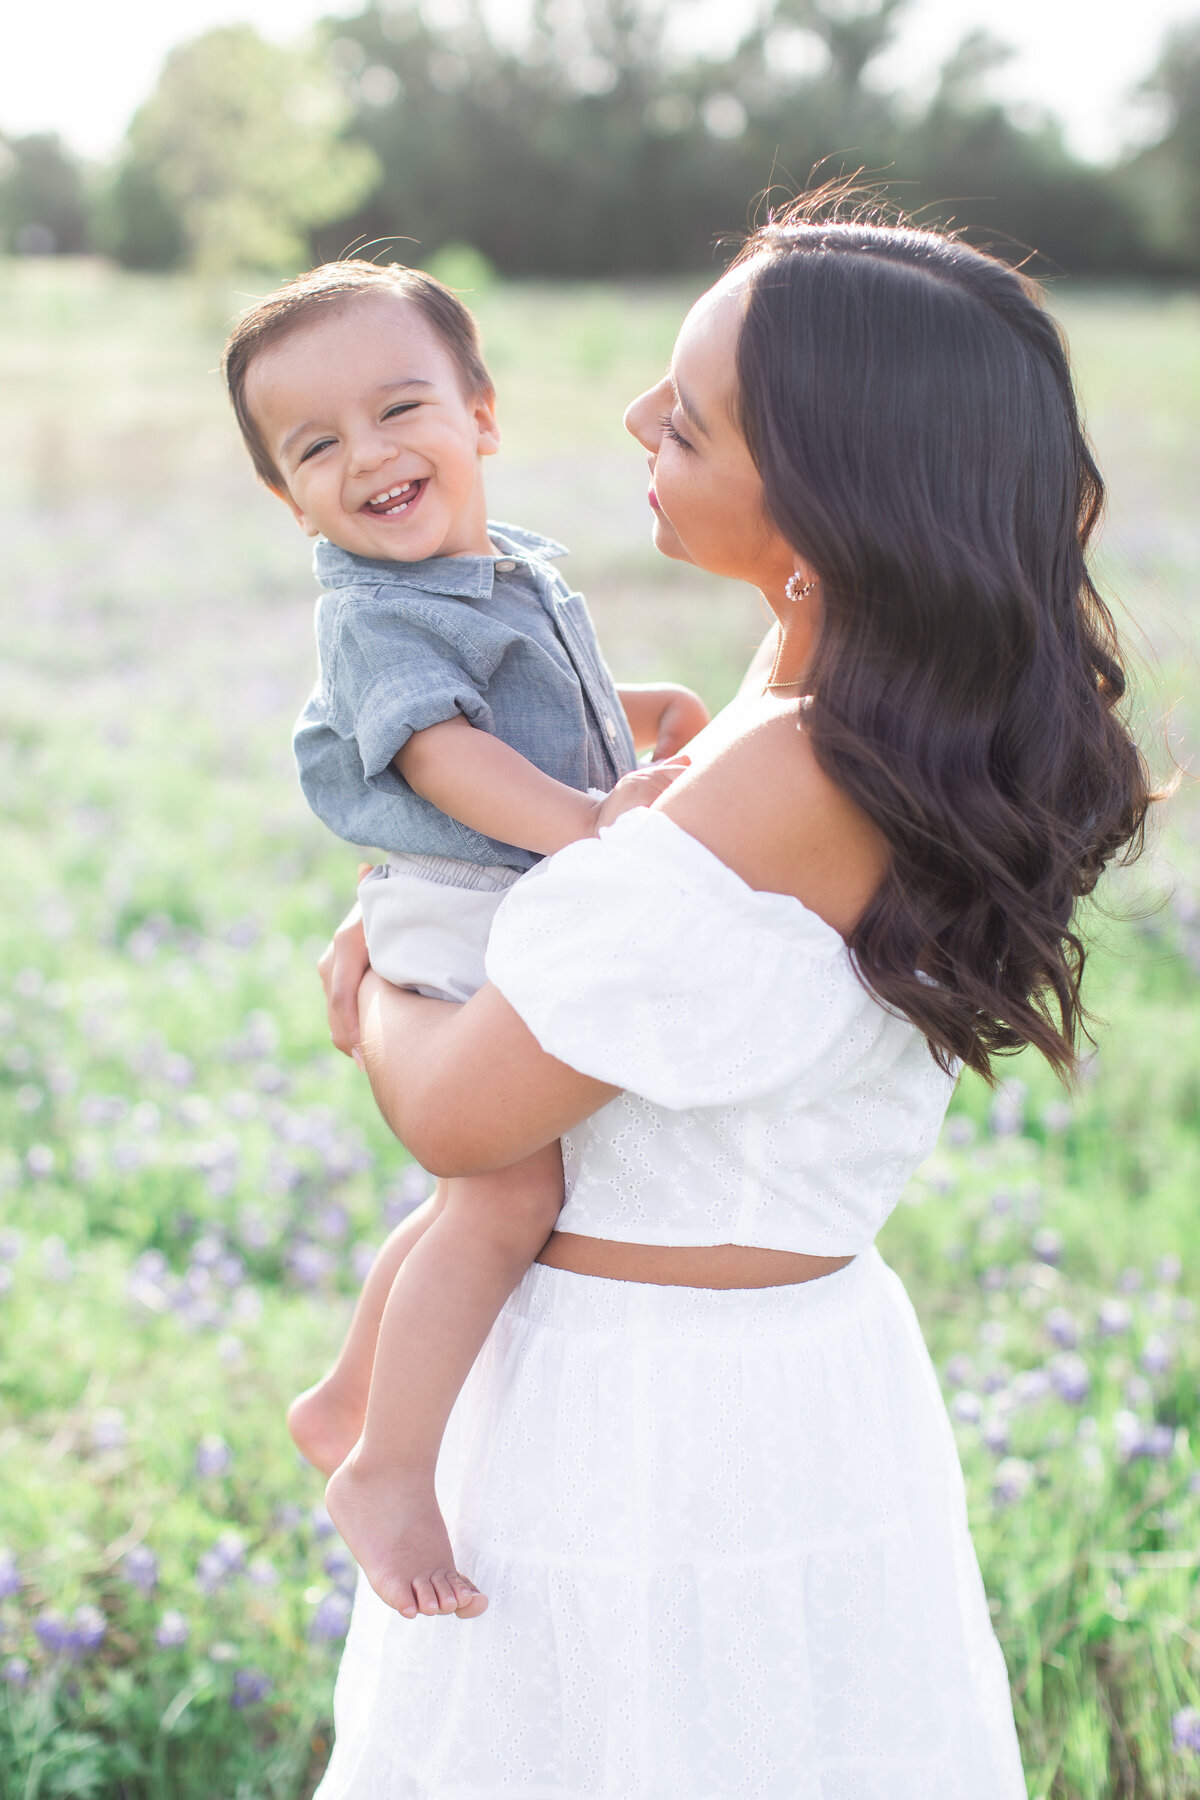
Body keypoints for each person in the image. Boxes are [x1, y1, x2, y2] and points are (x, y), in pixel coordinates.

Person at [311, 204, 1153, 1798]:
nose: (635, 420)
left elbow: (456, 1108)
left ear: (827, 506)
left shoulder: (791, 765)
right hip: (804, 1383)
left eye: (687, 419)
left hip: (642, 1413)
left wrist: (376, 955)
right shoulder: (850, 709)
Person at [220, 260, 708, 1622]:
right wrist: (590, 819)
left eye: (399, 409)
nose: (367, 455)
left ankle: (342, 1400)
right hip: (470, 896)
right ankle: (385, 1464)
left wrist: (626, 707)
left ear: (481, 415)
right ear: (287, 496)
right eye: (316, 446)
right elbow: (443, 757)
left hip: (506, 878)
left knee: (470, 1199)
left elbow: (511, 697)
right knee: (503, 1196)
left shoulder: (496, 568)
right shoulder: (373, 614)